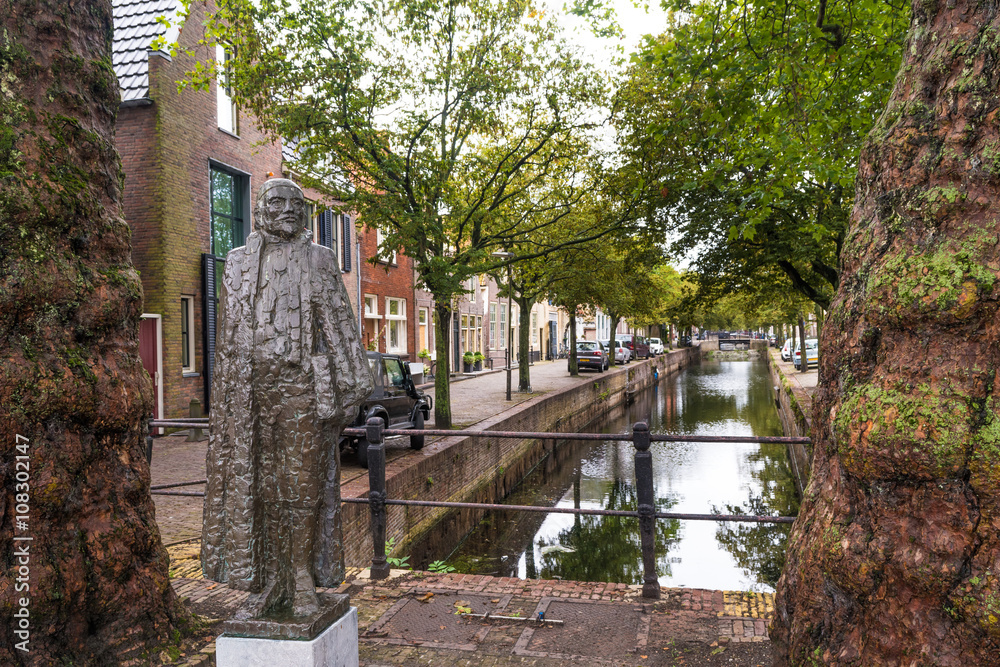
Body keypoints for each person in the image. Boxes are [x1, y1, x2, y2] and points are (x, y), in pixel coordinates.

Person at [201, 179, 373, 619]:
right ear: (259, 209)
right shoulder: (238, 263)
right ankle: (270, 577)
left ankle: (300, 576)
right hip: (252, 393)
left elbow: (338, 319)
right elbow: (230, 334)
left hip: (301, 389)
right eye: (276, 202)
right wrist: (225, 401)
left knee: (302, 483)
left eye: (296, 204)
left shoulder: (321, 259)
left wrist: (351, 387)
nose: (287, 210)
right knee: (260, 483)